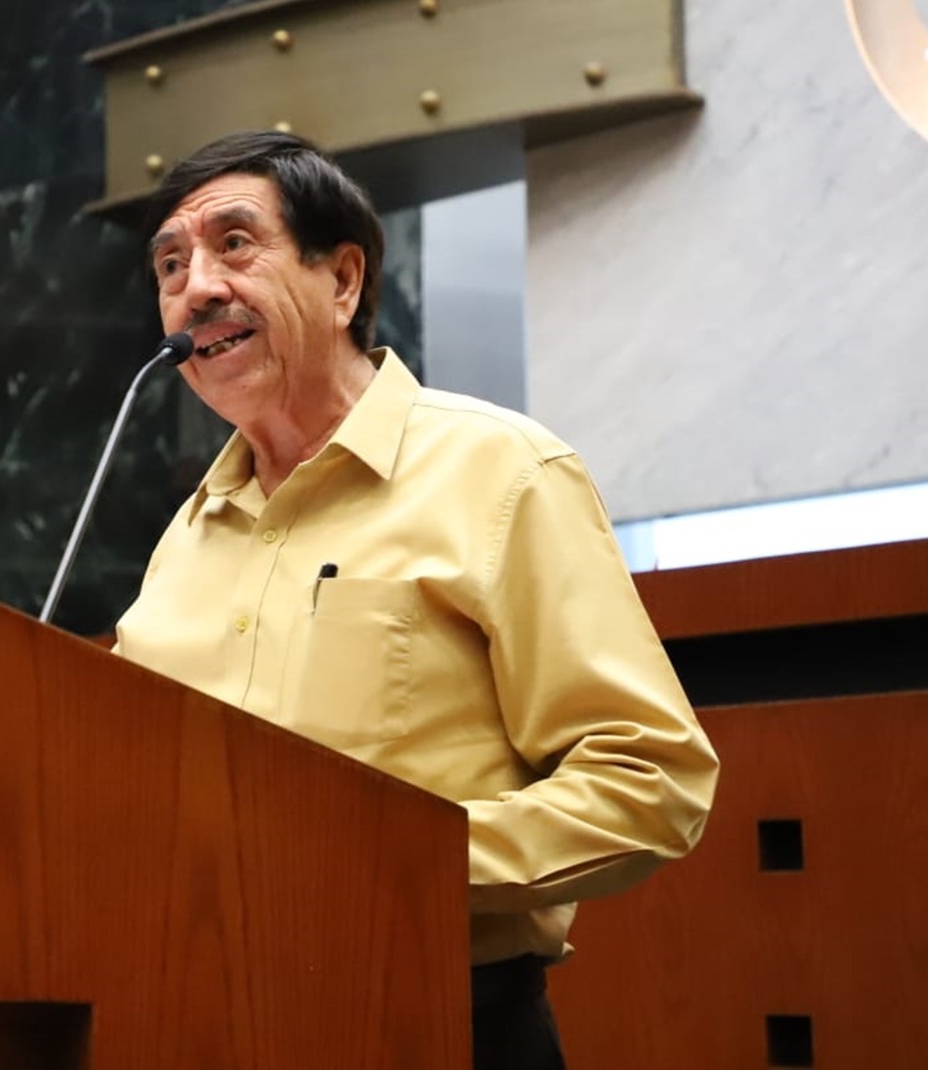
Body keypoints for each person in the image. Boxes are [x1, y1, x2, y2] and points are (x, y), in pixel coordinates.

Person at [113, 130, 718, 1070]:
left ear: (342, 279)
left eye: (234, 244)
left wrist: (396, 864)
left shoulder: (502, 472)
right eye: (170, 266)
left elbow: (650, 780)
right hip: (199, 1020)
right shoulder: (184, 539)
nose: (196, 289)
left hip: (436, 1017)